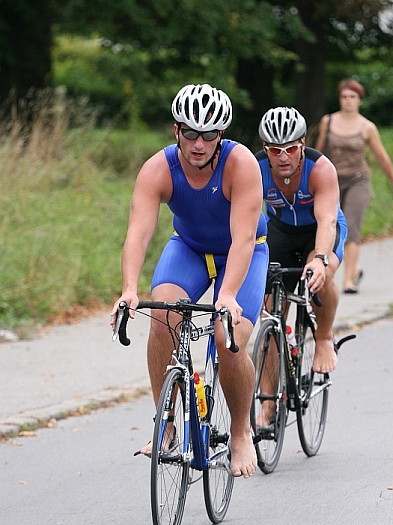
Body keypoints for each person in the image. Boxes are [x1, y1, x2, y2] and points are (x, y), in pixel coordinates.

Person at [110, 83, 268, 478]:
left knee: (227, 339)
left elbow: (244, 238)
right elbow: (139, 232)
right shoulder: (158, 169)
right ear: (175, 130)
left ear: (221, 136)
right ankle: (166, 423)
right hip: (190, 249)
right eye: (190, 133)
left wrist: (227, 294)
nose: (198, 143)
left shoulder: (241, 164)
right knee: (162, 311)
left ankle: (239, 431)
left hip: (242, 251)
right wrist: (129, 289)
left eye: (209, 135)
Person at [255, 106, 347, 388]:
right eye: (274, 150)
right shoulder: (254, 168)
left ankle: (322, 338)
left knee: (321, 275)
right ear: (265, 149)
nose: (283, 157)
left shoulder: (320, 169)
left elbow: (328, 221)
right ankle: (269, 402)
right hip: (280, 232)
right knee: (269, 314)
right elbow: (242, 217)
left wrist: (320, 258)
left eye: (290, 149)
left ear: (302, 145)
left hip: (319, 232)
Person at [316, 78, 393, 294]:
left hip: (358, 180)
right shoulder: (329, 121)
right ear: (339, 99)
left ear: (359, 100)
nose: (348, 101)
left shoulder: (367, 127)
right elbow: (317, 153)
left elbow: (382, 158)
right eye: (344, 97)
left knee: (352, 227)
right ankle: (353, 268)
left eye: (352, 97)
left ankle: (348, 279)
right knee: (330, 226)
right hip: (332, 180)